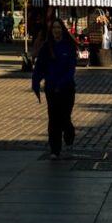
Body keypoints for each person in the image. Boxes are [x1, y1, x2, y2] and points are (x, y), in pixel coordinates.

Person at [32, 18, 79, 159]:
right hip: (51, 87)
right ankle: (55, 149)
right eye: (54, 28)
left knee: (65, 117)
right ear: (51, 31)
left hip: (66, 88)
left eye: (58, 28)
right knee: (53, 118)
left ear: (62, 29)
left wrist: (62, 82)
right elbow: (40, 66)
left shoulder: (69, 46)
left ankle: (69, 137)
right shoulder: (47, 47)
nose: (56, 30)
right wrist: (35, 81)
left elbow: (71, 69)